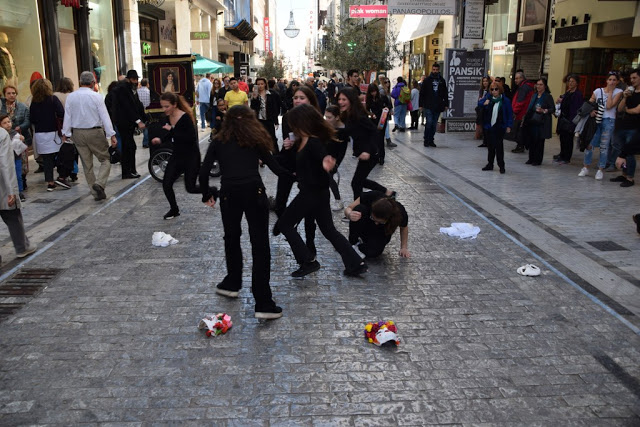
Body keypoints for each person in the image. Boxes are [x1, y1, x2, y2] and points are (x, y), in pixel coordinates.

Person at [199, 105, 287, 319]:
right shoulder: (255, 140)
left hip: (229, 193)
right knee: (260, 246)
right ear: (250, 120)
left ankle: (232, 282)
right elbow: (276, 168)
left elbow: (204, 171)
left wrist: (207, 193)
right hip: (254, 192)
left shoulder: (218, 141)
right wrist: (299, 176)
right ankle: (263, 303)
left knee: (231, 237)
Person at [275, 104, 368, 278]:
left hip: (311, 193)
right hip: (317, 193)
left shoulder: (312, 142)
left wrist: (328, 163)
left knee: (285, 224)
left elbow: (324, 158)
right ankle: (356, 263)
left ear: (302, 122)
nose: (292, 127)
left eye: (294, 123)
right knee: (328, 230)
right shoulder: (301, 141)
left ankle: (308, 261)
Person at [62, 71, 117, 201]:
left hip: (78, 133)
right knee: (105, 159)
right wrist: (111, 134)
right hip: (95, 131)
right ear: (92, 83)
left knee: (87, 164)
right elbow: (104, 116)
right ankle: (100, 183)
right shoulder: (96, 96)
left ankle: (95, 192)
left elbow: (67, 115)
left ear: (80, 82)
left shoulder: (71, 96)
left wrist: (66, 133)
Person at [337, 87, 394, 200]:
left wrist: (367, 151)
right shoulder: (347, 115)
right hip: (363, 153)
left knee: (356, 183)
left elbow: (374, 132)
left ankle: (358, 211)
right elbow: (345, 133)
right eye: (339, 99)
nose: (341, 102)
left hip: (370, 153)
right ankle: (387, 192)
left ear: (351, 100)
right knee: (359, 181)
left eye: (344, 99)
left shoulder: (358, 116)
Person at [151, 92, 201, 220]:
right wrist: (161, 140)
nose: (164, 109)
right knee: (166, 184)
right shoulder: (169, 117)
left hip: (190, 156)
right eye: (162, 106)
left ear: (174, 104)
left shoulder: (184, 117)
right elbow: (172, 134)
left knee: (190, 187)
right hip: (177, 155)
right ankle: (174, 209)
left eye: (167, 106)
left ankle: (213, 192)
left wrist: (172, 130)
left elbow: (190, 138)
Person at [0, 126, 36, 260]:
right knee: (13, 215)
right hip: (2, 186)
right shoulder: (2, 134)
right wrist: (11, 191)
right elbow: (6, 164)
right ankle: (22, 247)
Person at [345, 190, 409, 258]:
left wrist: (403, 247)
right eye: (373, 218)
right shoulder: (371, 196)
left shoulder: (400, 212)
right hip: (365, 222)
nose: (376, 223)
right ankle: (353, 242)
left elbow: (404, 227)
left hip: (382, 231)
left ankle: (359, 247)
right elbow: (349, 208)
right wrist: (349, 214)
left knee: (373, 253)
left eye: (380, 221)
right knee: (359, 209)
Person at [29, 78, 67, 192]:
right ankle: (62, 177)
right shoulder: (52, 99)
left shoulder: (34, 101)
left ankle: (50, 182)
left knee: (47, 159)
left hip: (40, 133)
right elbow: (61, 113)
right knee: (61, 154)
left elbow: (32, 118)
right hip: (53, 132)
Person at [110, 69, 146, 179]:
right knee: (128, 147)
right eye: (133, 79)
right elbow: (128, 107)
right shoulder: (123, 89)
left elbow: (137, 105)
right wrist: (138, 121)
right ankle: (127, 171)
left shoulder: (131, 89)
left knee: (131, 147)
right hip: (124, 123)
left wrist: (144, 118)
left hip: (128, 124)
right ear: (128, 79)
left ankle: (132, 169)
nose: (135, 81)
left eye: (136, 79)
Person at [610, 68, 639, 188]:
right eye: (631, 78)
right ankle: (624, 172)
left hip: (635, 127)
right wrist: (625, 97)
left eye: (634, 78)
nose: (632, 80)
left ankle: (630, 178)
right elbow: (620, 109)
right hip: (623, 125)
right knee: (622, 151)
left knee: (629, 152)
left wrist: (628, 110)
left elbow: (637, 110)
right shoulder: (630, 92)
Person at [1, 85, 30, 201]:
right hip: (5, 139)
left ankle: (21, 186)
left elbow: (28, 120)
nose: (11, 95)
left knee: (21, 166)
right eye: (8, 93)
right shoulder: (1, 107)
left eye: (13, 93)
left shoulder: (22, 106)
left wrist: (19, 127)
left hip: (19, 138)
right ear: (5, 95)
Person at [478, 81, 513, 174]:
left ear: (500, 90)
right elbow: (479, 104)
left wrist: (509, 125)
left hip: (499, 126)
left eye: (496, 89)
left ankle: (501, 165)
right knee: (490, 147)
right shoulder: (488, 98)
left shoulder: (505, 101)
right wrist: (484, 103)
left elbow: (509, 114)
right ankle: (490, 163)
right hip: (489, 126)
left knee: (499, 147)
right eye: (492, 89)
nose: (494, 91)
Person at [523, 78, 555, 166]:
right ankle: (531, 158)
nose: (538, 86)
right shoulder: (534, 95)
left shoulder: (548, 96)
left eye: (541, 84)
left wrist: (543, 110)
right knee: (532, 140)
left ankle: (537, 159)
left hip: (541, 122)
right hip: (532, 120)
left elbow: (552, 109)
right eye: (537, 84)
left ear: (545, 86)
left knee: (539, 141)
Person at [324, 105, 348, 211]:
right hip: (324, 157)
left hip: (333, 160)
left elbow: (342, 151)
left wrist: (336, 163)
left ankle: (338, 200)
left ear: (337, 117)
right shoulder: (329, 126)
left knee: (328, 178)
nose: (327, 120)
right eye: (326, 117)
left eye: (329, 118)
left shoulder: (342, 130)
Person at [555, 74, 582, 166]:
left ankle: (567, 157)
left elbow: (576, 109)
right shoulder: (567, 92)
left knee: (568, 139)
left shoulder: (577, 94)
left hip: (570, 120)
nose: (570, 83)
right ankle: (562, 154)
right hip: (563, 118)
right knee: (562, 138)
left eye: (572, 81)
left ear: (577, 83)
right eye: (569, 81)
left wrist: (572, 122)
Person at [419, 63, 448, 147]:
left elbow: (445, 93)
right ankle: (426, 139)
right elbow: (422, 93)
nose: (435, 71)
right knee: (429, 122)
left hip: (438, 106)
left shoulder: (442, 80)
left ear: (439, 70)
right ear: (432, 70)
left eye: (437, 70)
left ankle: (431, 139)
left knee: (434, 124)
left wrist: (446, 104)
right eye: (434, 69)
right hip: (428, 105)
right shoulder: (427, 80)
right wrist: (421, 105)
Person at [366, 83, 394, 166]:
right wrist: (371, 114)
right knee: (374, 139)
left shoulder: (382, 97)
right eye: (371, 92)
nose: (373, 94)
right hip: (373, 120)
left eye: (374, 91)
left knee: (381, 138)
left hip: (382, 119)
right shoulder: (369, 99)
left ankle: (381, 157)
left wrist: (387, 108)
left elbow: (389, 105)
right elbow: (366, 109)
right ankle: (376, 156)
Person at [250, 77, 280, 152]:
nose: (260, 86)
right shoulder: (255, 95)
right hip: (259, 120)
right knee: (259, 139)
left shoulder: (271, 94)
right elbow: (253, 108)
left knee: (272, 138)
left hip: (269, 119)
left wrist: (276, 121)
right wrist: (254, 98)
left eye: (262, 84)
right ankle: (261, 157)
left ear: (265, 84)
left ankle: (276, 156)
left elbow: (274, 108)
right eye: (258, 84)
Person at [510, 71, 535, 153]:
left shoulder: (523, 87)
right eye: (515, 79)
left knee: (518, 131)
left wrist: (514, 111)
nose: (515, 80)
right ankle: (521, 145)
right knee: (520, 130)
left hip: (520, 113)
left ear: (522, 78)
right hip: (524, 112)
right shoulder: (527, 86)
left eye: (517, 78)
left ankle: (520, 145)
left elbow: (520, 101)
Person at [477, 76, 492, 147]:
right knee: (483, 125)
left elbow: (486, 101)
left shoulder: (490, 90)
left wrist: (482, 100)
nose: (485, 82)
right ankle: (484, 141)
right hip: (481, 110)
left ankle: (488, 141)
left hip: (487, 110)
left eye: (486, 81)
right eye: (483, 81)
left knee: (487, 126)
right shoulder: (481, 90)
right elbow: (479, 101)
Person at [137, 78, 151, 148]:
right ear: (147, 84)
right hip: (147, 111)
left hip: (139, 112)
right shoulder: (149, 92)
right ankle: (145, 142)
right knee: (146, 127)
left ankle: (145, 141)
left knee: (142, 125)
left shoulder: (137, 92)